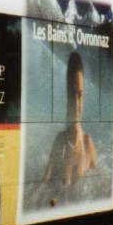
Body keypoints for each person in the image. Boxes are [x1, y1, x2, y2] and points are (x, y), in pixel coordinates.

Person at [42, 52, 98, 196]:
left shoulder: (88, 144)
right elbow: (41, 189)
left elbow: (98, 194)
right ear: (67, 97)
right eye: (71, 95)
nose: (76, 103)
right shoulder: (60, 142)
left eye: (80, 95)